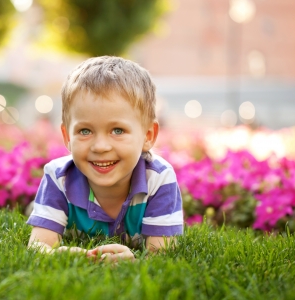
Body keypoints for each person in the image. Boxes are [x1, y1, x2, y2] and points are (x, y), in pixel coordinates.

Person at [27, 56, 183, 261]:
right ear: (67, 137)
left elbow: (162, 255)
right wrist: (57, 255)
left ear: (148, 136)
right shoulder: (59, 177)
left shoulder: (158, 178)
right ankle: (38, 210)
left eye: (117, 130)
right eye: (84, 131)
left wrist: (134, 262)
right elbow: (38, 245)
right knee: (41, 212)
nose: (100, 147)